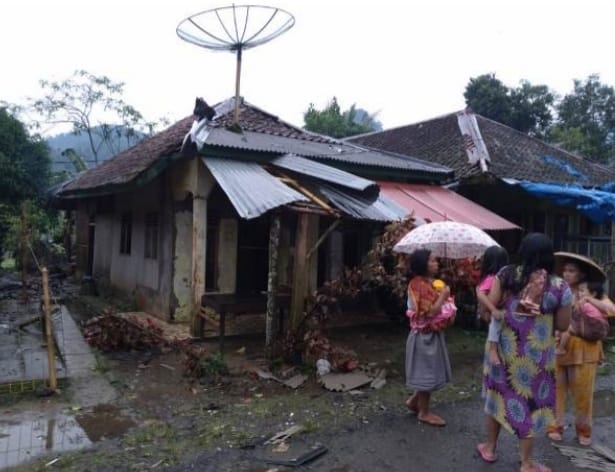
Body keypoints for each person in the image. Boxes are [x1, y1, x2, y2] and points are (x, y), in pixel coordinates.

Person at [476, 233, 572, 472]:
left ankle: (489, 447)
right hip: (536, 359)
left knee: (497, 397)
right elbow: (562, 325)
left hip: (504, 352)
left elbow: (492, 305)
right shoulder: (560, 286)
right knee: (530, 404)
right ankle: (527, 463)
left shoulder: (507, 274)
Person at [547, 252, 615, 446]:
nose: (566, 274)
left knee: (584, 394)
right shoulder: (558, 290)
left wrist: (589, 301)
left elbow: (611, 309)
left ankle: (584, 431)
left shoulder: (592, 292)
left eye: (572, 270)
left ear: (582, 274)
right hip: (560, 346)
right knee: (556, 390)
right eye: (565, 270)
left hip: (586, 349)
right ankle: (554, 426)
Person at [404, 249, 453, 427]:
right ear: (423, 264)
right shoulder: (417, 286)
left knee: (427, 370)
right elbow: (430, 312)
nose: (436, 262)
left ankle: (414, 401)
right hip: (424, 335)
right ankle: (424, 412)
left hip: (432, 334)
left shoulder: (430, 283)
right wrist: (443, 296)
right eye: (432, 260)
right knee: (426, 371)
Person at [476, 246, 509, 366]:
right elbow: (480, 294)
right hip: (494, 311)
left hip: (499, 310)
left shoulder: (503, 278)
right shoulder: (492, 278)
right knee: (495, 324)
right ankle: (492, 350)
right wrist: (492, 309)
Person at [556, 281, 609, 355]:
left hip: (592, 328)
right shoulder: (596, 304)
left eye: (582, 291)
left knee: (565, 328)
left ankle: (561, 349)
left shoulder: (585, 304)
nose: (579, 293)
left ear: (593, 294)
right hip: (600, 331)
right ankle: (558, 338)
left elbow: (574, 313)